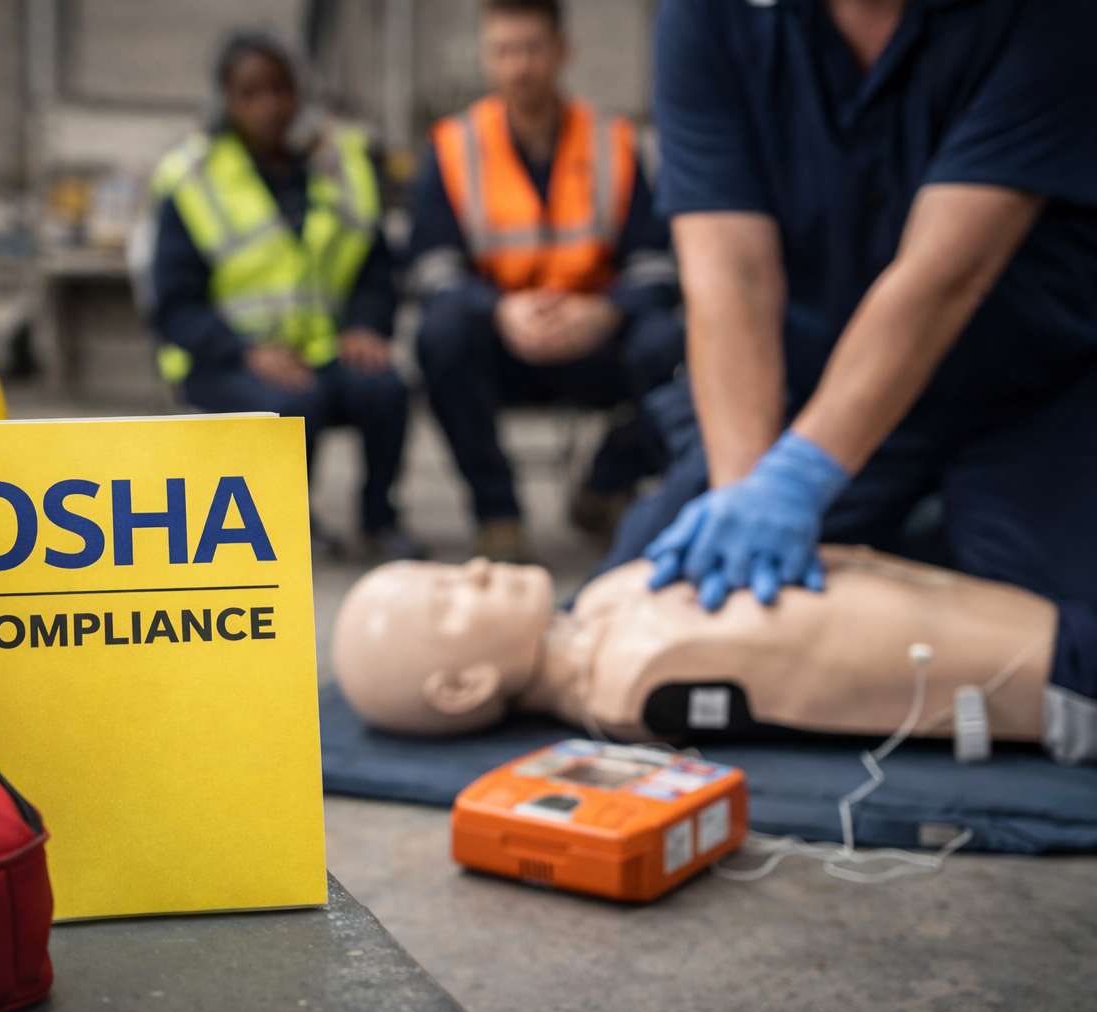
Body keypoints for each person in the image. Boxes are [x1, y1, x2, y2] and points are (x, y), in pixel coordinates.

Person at [604, 0, 1097, 722]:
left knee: (1068, 640)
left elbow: (946, 273)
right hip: (813, 390)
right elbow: (730, 275)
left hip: (1031, 390)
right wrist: (746, 491)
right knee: (638, 599)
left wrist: (798, 482)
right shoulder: (712, 16)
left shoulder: (1052, 16)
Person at [330, 550, 1096, 765]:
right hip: (1062, 678)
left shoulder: (608, 600)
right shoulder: (633, 687)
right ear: (463, 685)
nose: (474, 569)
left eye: (443, 565)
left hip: (1028, 608)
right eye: (447, 598)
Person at [405, 0, 684, 562]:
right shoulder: (453, 146)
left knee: (673, 344)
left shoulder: (614, 142)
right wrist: (499, 311)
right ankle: (497, 514)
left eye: (531, 49)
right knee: (438, 336)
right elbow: (430, 266)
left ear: (562, 51)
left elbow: (657, 265)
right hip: (500, 345)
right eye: (504, 52)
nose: (519, 67)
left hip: (595, 341)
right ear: (486, 58)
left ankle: (605, 483)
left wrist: (605, 311)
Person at [147, 33, 420, 561]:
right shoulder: (193, 178)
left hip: (321, 348)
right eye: (249, 93)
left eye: (278, 89)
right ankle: (289, 523)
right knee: (294, 404)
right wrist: (246, 352)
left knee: (385, 388)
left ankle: (379, 520)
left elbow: (376, 267)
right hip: (223, 357)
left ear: (299, 94)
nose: (267, 106)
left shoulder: (339, 166)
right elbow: (175, 307)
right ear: (224, 103)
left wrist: (367, 326)